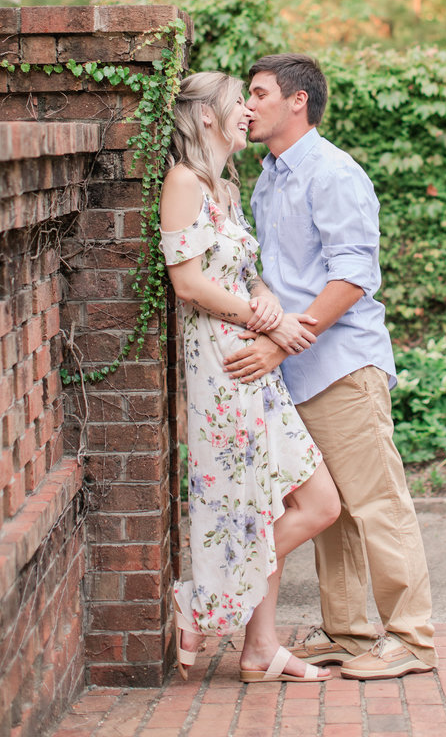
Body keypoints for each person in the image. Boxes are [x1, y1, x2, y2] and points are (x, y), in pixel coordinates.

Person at [224, 54, 437, 681]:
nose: (247, 105)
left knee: (377, 502)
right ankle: (347, 631)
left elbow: (353, 277)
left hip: (341, 365)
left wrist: (282, 343)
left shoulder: (333, 172)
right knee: (333, 508)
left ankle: (412, 638)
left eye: (258, 93)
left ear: (297, 101)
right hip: (299, 370)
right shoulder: (268, 175)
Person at [159, 71, 340, 684]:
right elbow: (188, 283)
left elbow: (244, 271)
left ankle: (247, 636)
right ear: (207, 116)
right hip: (223, 363)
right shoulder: (183, 183)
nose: (246, 112)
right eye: (238, 102)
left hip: (252, 353)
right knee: (260, 501)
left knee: (307, 502)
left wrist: (268, 304)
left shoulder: (225, 187)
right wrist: (265, 321)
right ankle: (221, 614)